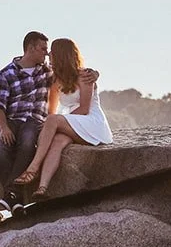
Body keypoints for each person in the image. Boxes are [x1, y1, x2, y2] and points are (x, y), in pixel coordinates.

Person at [0, 32, 96, 213]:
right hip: (11, 120)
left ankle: (11, 195)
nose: (47, 54)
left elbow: (71, 70)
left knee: (28, 140)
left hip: (34, 120)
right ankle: (15, 197)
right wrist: (4, 127)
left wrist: (95, 74)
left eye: (48, 50)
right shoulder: (5, 74)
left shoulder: (48, 72)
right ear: (30, 48)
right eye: (43, 49)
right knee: (0, 146)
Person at [15, 38, 112, 195]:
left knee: (54, 121)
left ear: (61, 55)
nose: (49, 55)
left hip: (91, 122)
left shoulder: (85, 76)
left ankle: (33, 167)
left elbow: (84, 108)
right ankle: (42, 188)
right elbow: (51, 111)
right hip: (73, 123)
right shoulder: (55, 80)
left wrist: (60, 123)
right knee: (57, 142)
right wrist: (49, 130)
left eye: (52, 52)